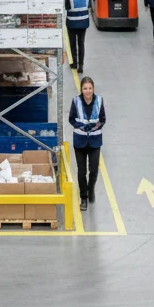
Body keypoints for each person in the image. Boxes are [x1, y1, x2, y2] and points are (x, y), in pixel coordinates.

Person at [69, 76, 106, 212]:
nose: (88, 91)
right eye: (85, 88)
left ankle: (91, 189)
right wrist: (81, 126)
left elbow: (103, 119)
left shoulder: (99, 101)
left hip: (95, 141)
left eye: (90, 88)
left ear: (93, 89)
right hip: (80, 141)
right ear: (81, 89)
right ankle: (83, 197)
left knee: (94, 170)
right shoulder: (76, 101)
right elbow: (71, 119)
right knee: (82, 171)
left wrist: (95, 127)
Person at [64, 0, 90, 72]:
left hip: (71, 24)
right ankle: (81, 66)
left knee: (73, 44)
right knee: (81, 43)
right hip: (83, 24)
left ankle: (74, 63)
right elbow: (89, 6)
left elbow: (66, 8)